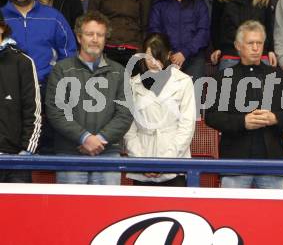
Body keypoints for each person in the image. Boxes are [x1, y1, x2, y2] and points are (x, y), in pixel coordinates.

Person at [205, 20, 283, 189]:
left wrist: (275, 118)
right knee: (232, 215)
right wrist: (242, 122)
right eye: (250, 43)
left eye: (259, 43)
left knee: (274, 216)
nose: (256, 48)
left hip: (273, 164)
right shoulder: (221, 78)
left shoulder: (280, 76)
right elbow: (211, 116)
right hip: (234, 164)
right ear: (238, 45)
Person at [45, 11, 133, 185]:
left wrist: (98, 140)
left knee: (109, 211)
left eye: (100, 35)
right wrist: (84, 137)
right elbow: (55, 112)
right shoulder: (61, 70)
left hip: (107, 153)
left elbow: (125, 114)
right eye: (89, 34)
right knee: (71, 211)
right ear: (79, 38)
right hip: (69, 153)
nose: (94, 39)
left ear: (105, 39)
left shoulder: (119, 72)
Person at [124, 33, 196, 187]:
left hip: (174, 163)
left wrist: (166, 161)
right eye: (148, 57)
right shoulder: (132, 84)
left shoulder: (183, 82)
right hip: (142, 162)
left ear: (169, 55)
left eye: (157, 57)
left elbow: (187, 126)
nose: (153, 63)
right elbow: (129, 129)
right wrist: (140, 160)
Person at [1, 0, 77, 86]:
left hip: (47, 87)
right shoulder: (1, 18)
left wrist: (56, 79)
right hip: (8, 89)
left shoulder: (54, 17)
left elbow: (69, 54)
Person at [211, 0, 276, 71]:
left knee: (266, 88)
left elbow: (269, 27)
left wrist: (271, 50)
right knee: (227, 88)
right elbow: (215, 27)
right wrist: (217, 48)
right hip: (231, 52)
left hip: (259, 53)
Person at [148, 0, 209, 81]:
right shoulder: (160, 4)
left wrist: (184, 52)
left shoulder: (199, 5)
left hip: (193, 59)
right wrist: (167, 54)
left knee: (193, 98)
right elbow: (154, 31)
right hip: (167, 59)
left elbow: (203, 32)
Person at [0, 19, 41, 183]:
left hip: (15, 160)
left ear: (2, 27)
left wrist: (26, 152)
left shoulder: (23, 62)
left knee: (18, 210)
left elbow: (33, 111)